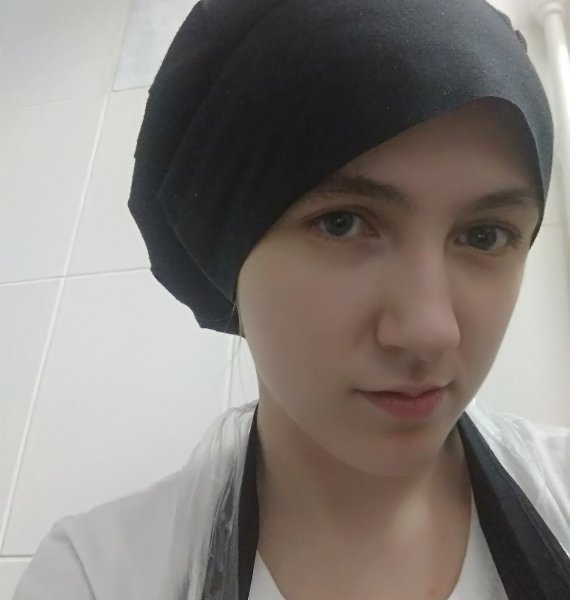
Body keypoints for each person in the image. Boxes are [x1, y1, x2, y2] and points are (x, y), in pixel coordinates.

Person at [13, 0, 569, 599]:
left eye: (485, 236)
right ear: (227, 253)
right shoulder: (95, 578)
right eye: (342, 223)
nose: (429, 330)